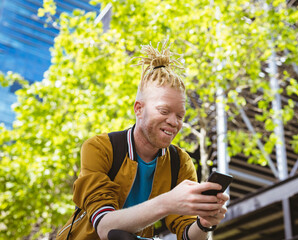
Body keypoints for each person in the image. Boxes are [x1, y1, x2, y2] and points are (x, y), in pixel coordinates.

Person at [56, 40, 229, 240]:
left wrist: (204, 224)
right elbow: (105, 227)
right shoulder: (100, 148)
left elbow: (187, 234)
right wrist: (170, 201)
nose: (173, 122)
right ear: (139, 109)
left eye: (180, 116)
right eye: (164, 111)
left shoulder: (180, 163)